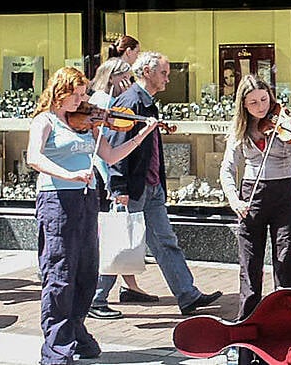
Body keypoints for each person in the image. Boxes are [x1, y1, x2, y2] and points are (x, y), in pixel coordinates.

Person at [26, 66, 158, 364]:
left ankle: (75, 332)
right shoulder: (44, 121)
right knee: (60, 272)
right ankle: (56, 348)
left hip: (86, 200)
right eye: (76, 95)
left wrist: (140, 136)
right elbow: (34, 157)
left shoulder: (87, 123)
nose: (82, 100)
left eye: (83, 94)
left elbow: (110, 156)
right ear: (60, 93)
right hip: (57, 199)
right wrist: (69, 174)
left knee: (86, 272)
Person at [90, 51, 222, 319]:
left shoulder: (146, 102)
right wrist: (119, 188)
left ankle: (188, 295)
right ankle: (95, 298)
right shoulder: (130, 101)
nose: (167, 78)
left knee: (165, 242)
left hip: (150, 186)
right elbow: (116, 147)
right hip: (134, 187)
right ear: (146, 72)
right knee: (120, 240)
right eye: (163, 72)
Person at [220, 74, 291, 319]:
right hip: (252, 194)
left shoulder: (284, 125)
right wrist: (234, 200)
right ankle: (247, 322)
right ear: (244, 106)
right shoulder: (240, 130)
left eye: (264, 100)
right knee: (250, 263)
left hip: (284, 192)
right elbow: (227, 168)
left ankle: (288, 318)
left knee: (286, 258)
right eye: (254, 103)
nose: (262, 107)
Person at [88, 57, 157, 305]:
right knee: (117, 237)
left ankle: (130, 287)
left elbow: (114, 149)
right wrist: (116, 184)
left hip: (114, 174)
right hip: (106, 176)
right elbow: (106, 152)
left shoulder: (118, 102)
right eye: (125, 78)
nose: (128, 83)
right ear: (114, 77)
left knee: (126, 235)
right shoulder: (105, 103)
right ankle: (96, 297)